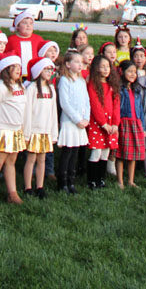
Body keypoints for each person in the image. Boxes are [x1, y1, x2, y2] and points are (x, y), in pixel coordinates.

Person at [0, 54, 26, 205]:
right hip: (2, 129)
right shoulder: (0, 88)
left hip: (15, 129)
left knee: (11, 161)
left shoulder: (20, 87)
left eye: (20, 67)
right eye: (14, 67)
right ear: (6, 70)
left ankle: (12, 193)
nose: (18, 70)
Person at [22, 58, 58, 198]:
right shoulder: (31, 89)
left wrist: (53, 133)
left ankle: (40, 186)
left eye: (51, 70)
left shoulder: (51, 89)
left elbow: (53, 112)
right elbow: (27, 111)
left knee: (42, 159)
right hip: (34, 130)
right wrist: (27, 133)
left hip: (46, 130)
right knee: (31, 159)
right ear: (38, 71)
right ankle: (27, 187)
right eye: (46, 69)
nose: (49, 72)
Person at [56, 48, 90, 194]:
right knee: (67, 152)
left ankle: (71, 180)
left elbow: (86, 101)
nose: (80, 65)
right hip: (70, 122)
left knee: (75, 151)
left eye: (81, 62)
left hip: (81, 122)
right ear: (68, 64)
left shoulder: (82, 81)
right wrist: (77, 119)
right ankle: (62, 181)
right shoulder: (65, 80)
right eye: (76, 62)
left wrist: (86, 118)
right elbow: (65, 103)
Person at [86, 54, 120, 189]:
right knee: (96, 152)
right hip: (98, 123)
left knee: (106, 152)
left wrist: (115, 123)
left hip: (111, 123)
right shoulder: (93, 84)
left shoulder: (112, 85)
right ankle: (91, 180)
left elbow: (116, 105)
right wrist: (103, 123)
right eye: (102, 67)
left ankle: (101, 179)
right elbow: (95, 105)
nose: (106, 70)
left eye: (108, 67)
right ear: (96, 68)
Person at [116, 60, 146, 188]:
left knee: (133, 153)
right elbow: (117, 108)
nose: (133, 74)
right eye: (129, 71)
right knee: (121, 153)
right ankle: (120, 181)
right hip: (124, 122)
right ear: (122, 72)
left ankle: (131, 180)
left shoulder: (137, 90)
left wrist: (143, 127)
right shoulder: (119, 89)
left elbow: (140, 109)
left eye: (134, 72)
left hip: (136, 123)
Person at [5, 11, 46, 78]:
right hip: (16, 75)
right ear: (17, 26)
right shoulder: (11, 40)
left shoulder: (38, 39)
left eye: (31, 23)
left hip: (35, 75)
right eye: (24, 23)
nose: (28, 25)